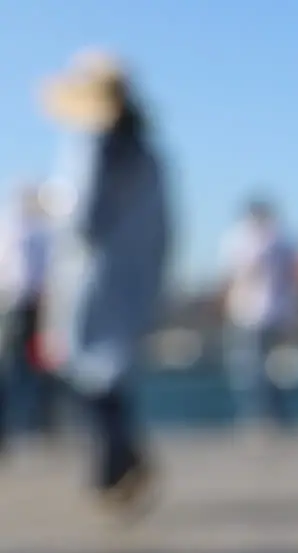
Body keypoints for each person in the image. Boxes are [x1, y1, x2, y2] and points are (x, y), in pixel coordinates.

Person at [36, 49, 171, 509]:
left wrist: (46, 204)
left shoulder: (90, 142)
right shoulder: (148, 152)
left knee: (91, 371)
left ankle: (115, 464)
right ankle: (119, 460)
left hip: (92, 277)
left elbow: (81, 216)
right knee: (112, 370)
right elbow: (167, 225)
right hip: (134, 275)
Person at [220, 196, 297, 432]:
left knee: (250, 369)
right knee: (275, 369)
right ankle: (275, 417)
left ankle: (258, 418)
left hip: (249, 313)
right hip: (278, 312)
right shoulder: (283, 239)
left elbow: (233, 274)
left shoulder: (242, 237)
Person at [0, 185, 57, 450]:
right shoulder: (15, 228)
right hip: (21, 306)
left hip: (33, 306)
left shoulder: (34, 230)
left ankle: (44, 425)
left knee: (41, 368)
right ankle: (34, 427)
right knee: (15, 368)